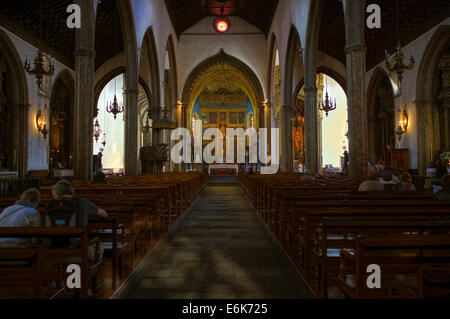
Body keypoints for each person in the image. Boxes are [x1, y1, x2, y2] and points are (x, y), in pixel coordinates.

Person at [45, 181, 108, 261]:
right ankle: (93, 271)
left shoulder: (49, 206)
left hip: (52, 252)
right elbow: (104, 214)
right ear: (71, 192)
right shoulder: (82, 202)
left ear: (57, 194)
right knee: (99, 245)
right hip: (79, 250)